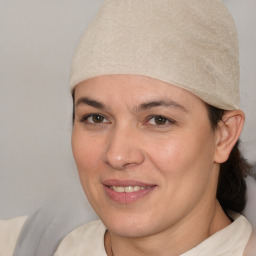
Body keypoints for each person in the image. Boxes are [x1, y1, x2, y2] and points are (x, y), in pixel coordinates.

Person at [1, 0, 255, 255]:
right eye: (96, 118)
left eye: (159, 120)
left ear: (224, 135)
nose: (117, 155)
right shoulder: (19, 246)